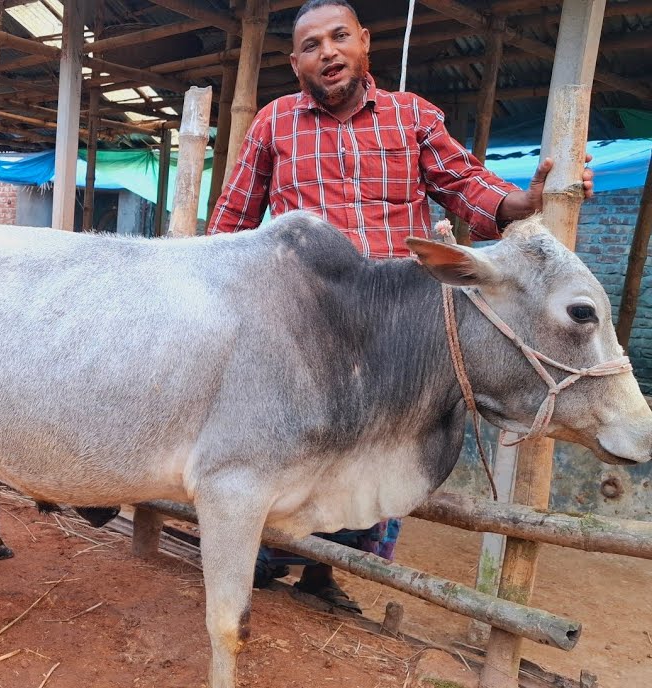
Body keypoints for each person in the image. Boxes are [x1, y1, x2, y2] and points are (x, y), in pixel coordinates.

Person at [208, 0, 594, 611]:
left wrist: (520, 204)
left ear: (364, 42)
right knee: (292, 441)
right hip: (307, 319)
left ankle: (323, 572)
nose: (327, 52)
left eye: (339, 37)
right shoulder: (274, 123)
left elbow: (464, 184)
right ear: (295, 62)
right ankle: (267, 554)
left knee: (385, 445)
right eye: (311, 45)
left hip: (400, 328)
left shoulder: (412, 116)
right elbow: (232, 219)